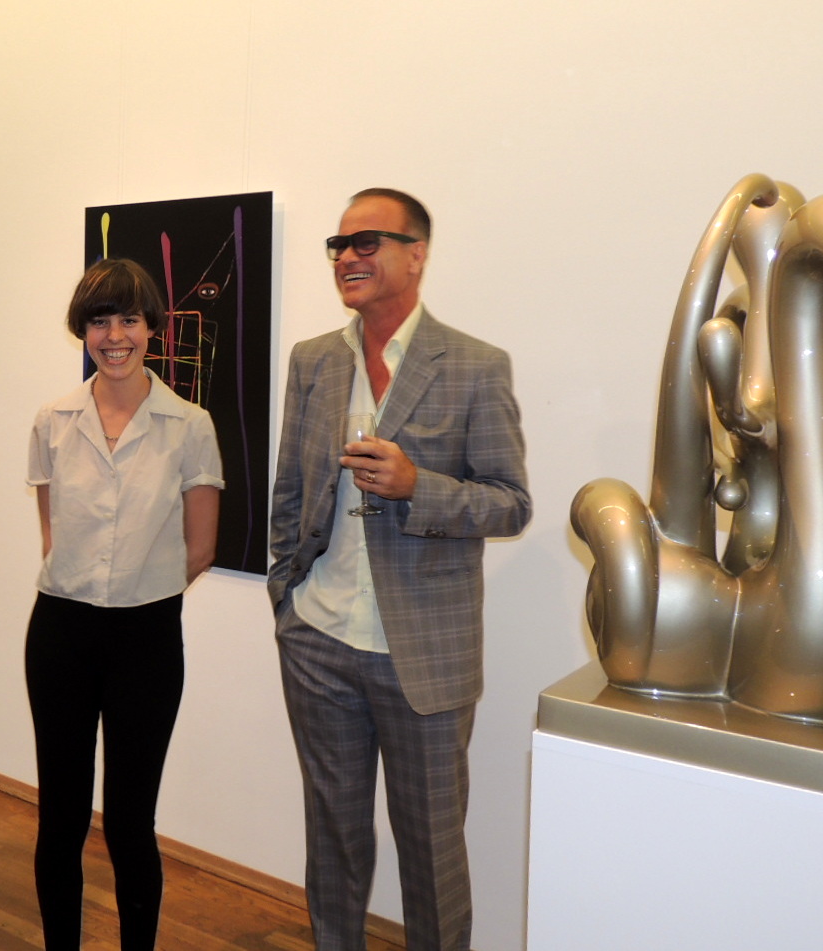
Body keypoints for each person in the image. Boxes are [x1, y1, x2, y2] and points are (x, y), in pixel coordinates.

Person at [267, 189, 531, 951]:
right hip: (319, 639)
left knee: (431, 851)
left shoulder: (475, 365)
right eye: (338, 245)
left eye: (367, 242)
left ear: (417, 253)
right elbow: (291, 489)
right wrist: (287, 597)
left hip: (424, 655)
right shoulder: (314, 360)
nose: (347, 257)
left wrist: (419, 486)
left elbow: (510, 503)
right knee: (334, 840)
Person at [24, 258, 223, 951]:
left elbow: (200, 548)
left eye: (129, 320)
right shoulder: (53, 420)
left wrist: (133, 589)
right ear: (83, 331)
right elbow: (53, 533)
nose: (115, 336)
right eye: (100, 321)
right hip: (60, 633)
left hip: (147, 639)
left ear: (151, 328)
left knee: (131, 823)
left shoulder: (190, 424)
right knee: (61, 817)